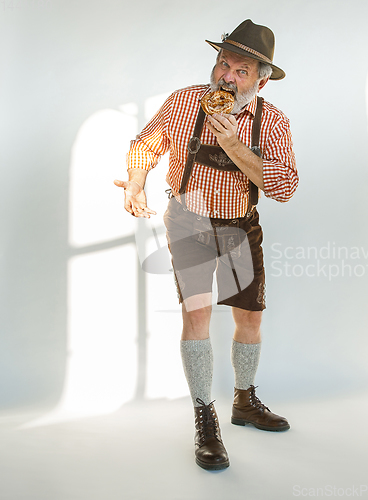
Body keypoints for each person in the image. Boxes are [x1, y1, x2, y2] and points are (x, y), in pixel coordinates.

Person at [114, 19, 298, 471]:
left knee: (249, 316)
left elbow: (285, 185)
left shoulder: (271, 121)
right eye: (223, 63)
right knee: (196, 312)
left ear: (261, 78)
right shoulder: (184, 102)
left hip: (239, 225)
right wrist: (136, 184)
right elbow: (146, 143)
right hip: (189, 223)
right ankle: (204, 417)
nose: (227, 76)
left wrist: (234, 143)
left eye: (241, 70)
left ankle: (244, 400)